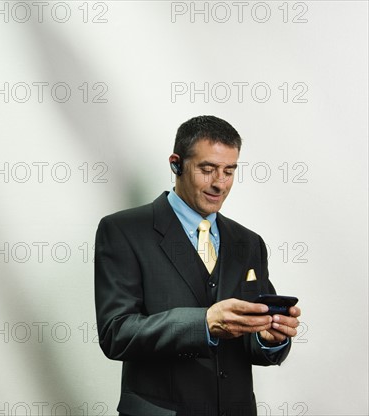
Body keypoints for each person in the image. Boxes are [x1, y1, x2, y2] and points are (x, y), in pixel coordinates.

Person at [94, 115, 301, 416]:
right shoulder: (123, 231)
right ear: (176, 164)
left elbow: (251, 343)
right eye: (208, 169)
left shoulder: (249, 242)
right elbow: (116, 333)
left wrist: (269, 338)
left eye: (229, 171)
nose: (220, 183)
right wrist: (204, 323)